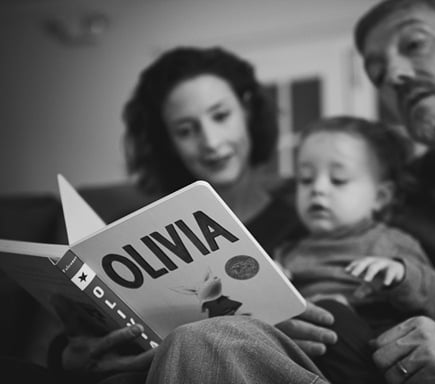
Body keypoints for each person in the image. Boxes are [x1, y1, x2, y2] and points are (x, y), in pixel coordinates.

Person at [145, 1, 435, 383]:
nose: (395, 75)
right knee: (199, 342)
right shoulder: (401, 191)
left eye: (415, 44)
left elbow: (425, 293)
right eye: (377, 72)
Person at [41, 46, 305, 384]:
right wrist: (66, 360)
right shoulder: (131, 228)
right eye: (185, 130)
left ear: (248, 109)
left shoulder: (307, 215)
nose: (210, 141)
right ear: (168, 142)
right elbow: (86, 331)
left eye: (221, 115)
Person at [275, 115, 435, 384]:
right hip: (304, 356)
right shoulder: (287, 252)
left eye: (338, 179)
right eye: (305, 179)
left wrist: (402, 274)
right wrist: (268, 280)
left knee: (330, 312)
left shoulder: (388, 242)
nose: (318, 189)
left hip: (367, 344)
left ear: (380, 197)